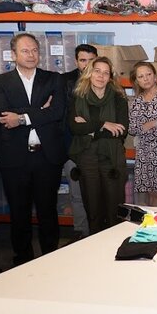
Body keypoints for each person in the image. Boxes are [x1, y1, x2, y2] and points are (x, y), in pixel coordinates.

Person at [0, 33, 68, 266]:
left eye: (34, 50)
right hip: (15, 158)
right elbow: (4, 115)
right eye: (25, 51)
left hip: (46, 156)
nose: (31, 55)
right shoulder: (0, 81)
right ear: (13, 55)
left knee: (47, 210)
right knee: (19, 212)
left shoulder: (53, 79)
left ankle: (51, 256)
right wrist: (40, 111)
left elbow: (57, 112)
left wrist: (22, 117)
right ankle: (23, 259)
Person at [68, 56, 129, 234]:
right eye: (97, 71)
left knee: (114, 207)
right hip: (87, 156)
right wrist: (103, 124)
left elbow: (121, 130)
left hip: (112, 157)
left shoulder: (118, 98)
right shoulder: (78, 96)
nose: (101, 76)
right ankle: (95, 243)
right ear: (89, 73)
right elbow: (75, 128)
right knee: (93, 207)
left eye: (106, 73)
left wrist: (90, 127)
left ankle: (114, 243)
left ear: (110, 77)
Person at [62, 43, 98, 237]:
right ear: (76, 61)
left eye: (91, 60)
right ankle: (81, 234)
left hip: (99, 148)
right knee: (77, 194)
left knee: (98, 195)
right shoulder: (65, 81)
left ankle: (98, 234)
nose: (87, 64)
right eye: (83, 60)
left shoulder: (106, 81)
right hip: (73, 147)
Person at [127, 61, 157, 208]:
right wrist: (152, 123)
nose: (146, 79)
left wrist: (147, 125)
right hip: (144, 152)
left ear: (155, 76)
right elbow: (132, 128)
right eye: (141, 76)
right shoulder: (137, 100)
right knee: (149, 194)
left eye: (148, 74)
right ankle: (151, 221)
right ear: (136, 81)